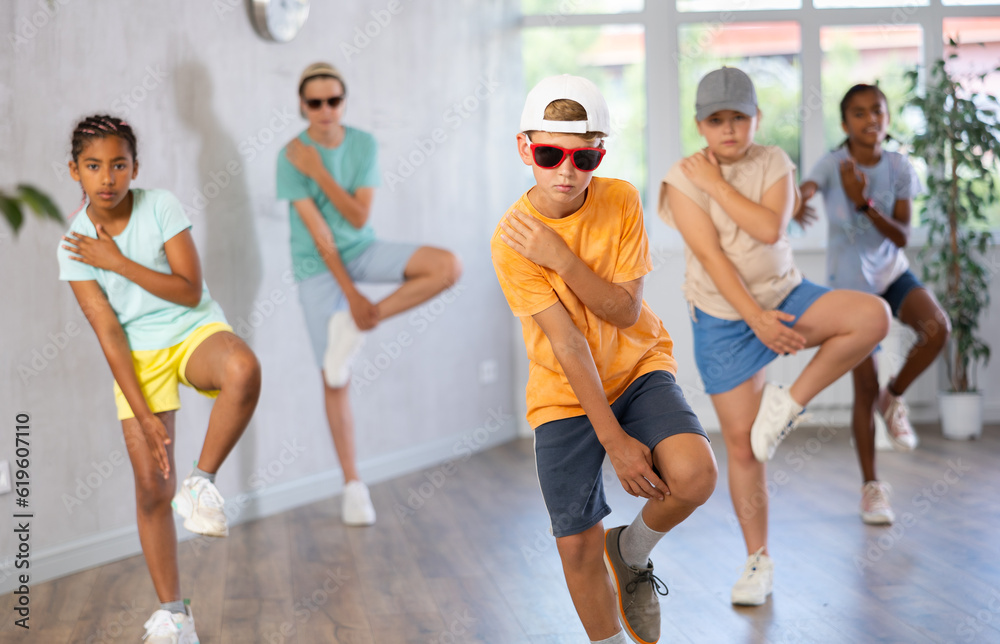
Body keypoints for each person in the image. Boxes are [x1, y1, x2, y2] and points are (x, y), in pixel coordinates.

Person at [492, 75, 717, 644]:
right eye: (548, 154)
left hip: (637, 367)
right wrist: (614, 441)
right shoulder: (511, 239)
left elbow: (622, 310)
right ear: (525, 149)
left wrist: (561, 257)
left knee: (695, 475)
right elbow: (567, 344)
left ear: (600, 154)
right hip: (564, 393)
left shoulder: (620, 199)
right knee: (576, 545)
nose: (565, 171)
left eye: (582, 156)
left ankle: (632, 550)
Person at [658, 68, 890, 606]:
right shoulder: (680, 176)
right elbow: (712, 258)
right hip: (722, 318)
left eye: (739, 117)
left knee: (872, 316)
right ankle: (757, 562)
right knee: (744, 447)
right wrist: (753, 319)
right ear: (700, 125)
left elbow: (770, 229)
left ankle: (788, 403)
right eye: (717, 120)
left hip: (787, 297)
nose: (729, 130)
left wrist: (717, 184)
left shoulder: (773, 162)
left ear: (755, 119)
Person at [57, 115, 261, 643]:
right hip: (138, 356)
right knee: (151, 488)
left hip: (192, 329)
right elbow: (109, 333)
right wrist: (143, 414)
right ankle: (174, 616)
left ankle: (202, 484)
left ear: (135, 167)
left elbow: (189, 291)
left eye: (118, 164)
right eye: (94, 166)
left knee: (243, 367)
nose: (107, 178)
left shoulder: (161, 205)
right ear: (74, 171)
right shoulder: (73, 248)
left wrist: (117, 261)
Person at [277, 63, 461, 526]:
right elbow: (320, 234)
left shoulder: (360, 145)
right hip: (317, 264)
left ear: (343, 102)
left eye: (333, 101)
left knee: (447, 266)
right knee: (335, 376)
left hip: (362, 249)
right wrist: (348, 294)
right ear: (302, 105)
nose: (324, 110)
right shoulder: (289, 155)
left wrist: (319, 171)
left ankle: (357, 320)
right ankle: (353, 485)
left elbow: (358, 218)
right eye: (314, 102)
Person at [796, 83, 950, 524]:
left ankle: (894, 397)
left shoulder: (899, 166)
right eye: (859, 114)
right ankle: (872, 488)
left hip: (892, 273)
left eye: (877, 111)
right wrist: (794, 204)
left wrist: (864, 203)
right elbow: (806, 189)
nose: (871, 120)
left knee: (937, 329)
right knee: (863, 387)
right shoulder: (832, 163)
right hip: (850, 288)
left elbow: (902, 234)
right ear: (845, 124)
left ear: (886, 117)